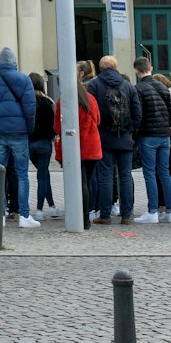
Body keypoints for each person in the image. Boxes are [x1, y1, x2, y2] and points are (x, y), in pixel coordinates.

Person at [0, 46, 39, 230]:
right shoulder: (24, 79)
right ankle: (24, 215)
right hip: (19, 133)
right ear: (14, 62)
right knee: (22, 174)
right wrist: (29, 129)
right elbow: (30, 108)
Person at [87, 56, 140, 225]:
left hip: (104, 138)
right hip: (125, 138)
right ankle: (126, 215)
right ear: (116, 67)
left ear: (101, 68)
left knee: (105, 176)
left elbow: (90, 112)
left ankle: (105, 214)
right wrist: (131, 133)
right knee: (125, 176)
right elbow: (137, 113)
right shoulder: (128, 85)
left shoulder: (94, 85)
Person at [131, 57, 171, 224]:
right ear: (151, 67)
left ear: (136, 70)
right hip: (164, 136)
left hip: (147, 136)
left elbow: (138, 115)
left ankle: (153, 211)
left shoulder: (139, 89)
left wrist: (136, 133)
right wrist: (165, 126)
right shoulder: (162, 86)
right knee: (164, 173)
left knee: (149, 173)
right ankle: (170, 212)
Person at [64, 64, 102, 222]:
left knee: (80, 183)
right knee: (88, 181)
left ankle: (81, 218)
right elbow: (98, 120)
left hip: (77, 145)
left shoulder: (66, 100)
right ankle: (88, 215)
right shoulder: (91, 99)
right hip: (93, 145)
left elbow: (58, 125)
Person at [28, 71, 58, 219]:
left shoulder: (26, 101)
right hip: (45, 143)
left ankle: (52, 206)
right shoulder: (48, 102)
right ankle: (40, 209)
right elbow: (54, 125)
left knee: (44, 174)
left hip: (29, 143)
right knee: (43, 176)